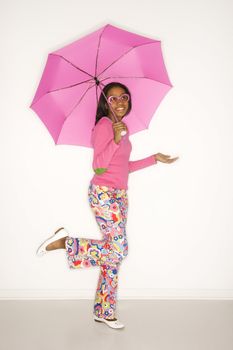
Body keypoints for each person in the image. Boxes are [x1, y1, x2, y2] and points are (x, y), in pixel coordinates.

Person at [36, 82, 179, 329]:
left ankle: (105, 311)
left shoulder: (124, 129)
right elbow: (99, 167)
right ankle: (66, 243)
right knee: (119, 249)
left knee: (113, 256)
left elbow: (124, 167)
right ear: (105, 102)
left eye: (124, 96)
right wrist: (114, 137)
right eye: (113, 99)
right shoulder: (104, 126)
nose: (120, 102)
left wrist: (153, 158)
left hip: (121, 195)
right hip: (103, 194)